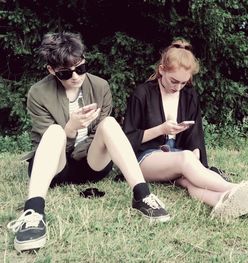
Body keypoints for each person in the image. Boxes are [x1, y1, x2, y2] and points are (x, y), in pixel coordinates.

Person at [7, 32, 170, 253]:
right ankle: (33, 213)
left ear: (84, 60)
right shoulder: (38, 93)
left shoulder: (100, 86)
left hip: (92, 163)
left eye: (80, 68)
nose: (75, 76)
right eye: (66, 73)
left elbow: (100, 133)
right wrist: (71, 128)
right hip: (56, 168)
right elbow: (46, 142)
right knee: (55, 131)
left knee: (110, 124)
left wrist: (84, 143)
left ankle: (143, 196)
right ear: (51, 70)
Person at [123, 39, 248, 220]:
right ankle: (238, 189)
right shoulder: (142, 93)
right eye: (173, 81)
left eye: (183, 83)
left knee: (189, 177)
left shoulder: (189, 95)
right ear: (162, 70)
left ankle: (219, 200)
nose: (177, 87)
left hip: (175, 157)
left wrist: (195, 156)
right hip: (143, 160)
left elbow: (195, 136)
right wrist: (161, 129)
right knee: (184, 159)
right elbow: (127, 140)